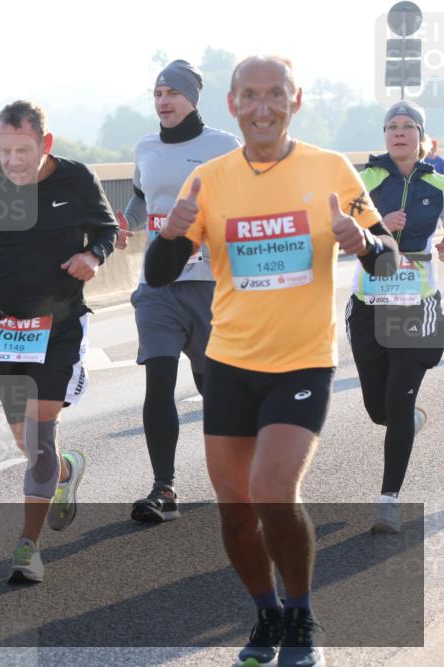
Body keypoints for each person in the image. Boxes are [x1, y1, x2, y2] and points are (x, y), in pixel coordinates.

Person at [146, 56, 398, 667]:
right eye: (251, 96)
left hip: (303, 363)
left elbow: (387, 260)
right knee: (235, 512)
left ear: (296, 100)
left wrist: (363, 241)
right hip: (230, 363)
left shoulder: (330, 169)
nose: (264, 107)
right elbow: (158, 275)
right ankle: (265, 614)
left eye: (276, 95)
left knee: (272, 490)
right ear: (232, 104)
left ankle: (303, 613)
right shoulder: (209, 178)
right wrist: (172, 235)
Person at [0, 100, 118, 583]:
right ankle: (64, 472)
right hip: (4, 326)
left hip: (59, 324)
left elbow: (106, 229)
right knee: (25, 439)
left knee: (39, 437)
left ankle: (28, 547)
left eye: (23, 149)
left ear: (45, 144)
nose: (13, 160)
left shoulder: (77, 179)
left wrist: (94, 255)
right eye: (4, 149)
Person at [117, 60, 240, 523]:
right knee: (159, 381)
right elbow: (141, 199)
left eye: (171, 93)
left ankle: (236, 475)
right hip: (158, 285)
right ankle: (163, 488)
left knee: (217, 392)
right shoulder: (145, 148)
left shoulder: (223, 146)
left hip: (211, 287)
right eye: (157, 93)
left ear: (192, 98)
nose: (163, 101)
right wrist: (122, 225)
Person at [346, 101, 444, 533]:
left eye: (408, 127)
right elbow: (332, 232)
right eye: (392, 127)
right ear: (384, 135)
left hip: (415, 302)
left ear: (421, 137)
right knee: (378, 406)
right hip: (369, 301)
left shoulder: (439, 179)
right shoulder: (363, 179)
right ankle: (401, 418)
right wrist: (376, 227)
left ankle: (389, 500)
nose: (399, 133)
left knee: (399, 397)